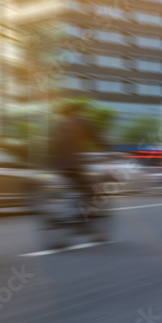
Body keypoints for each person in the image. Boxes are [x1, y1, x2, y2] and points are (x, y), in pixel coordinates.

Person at [48, 99, 111, 239]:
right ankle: (86, 226)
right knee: (90, 192)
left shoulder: (58, 124)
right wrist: (109, 148)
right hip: (73, 164)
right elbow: (96, 139)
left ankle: (64, 217)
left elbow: (51, 143)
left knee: (72, 189)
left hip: (56, 165)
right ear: (78, 111)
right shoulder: (81, 122)